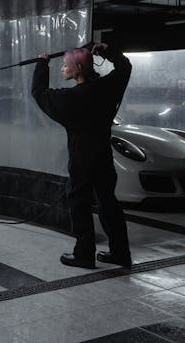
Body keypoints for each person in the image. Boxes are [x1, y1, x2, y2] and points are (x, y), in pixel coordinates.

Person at [31, 43, 132, 268]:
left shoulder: (70, 99)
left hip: (82, 159)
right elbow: (124, 67)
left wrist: (42, 64)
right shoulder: (107, 88)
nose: (62, 69)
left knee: (80, 203)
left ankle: (84, 254)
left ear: (77, 69)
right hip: (103, 157)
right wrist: (107, 50)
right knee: (108, 203)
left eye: (65, 65)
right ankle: (121, 254)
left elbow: (39, 93)